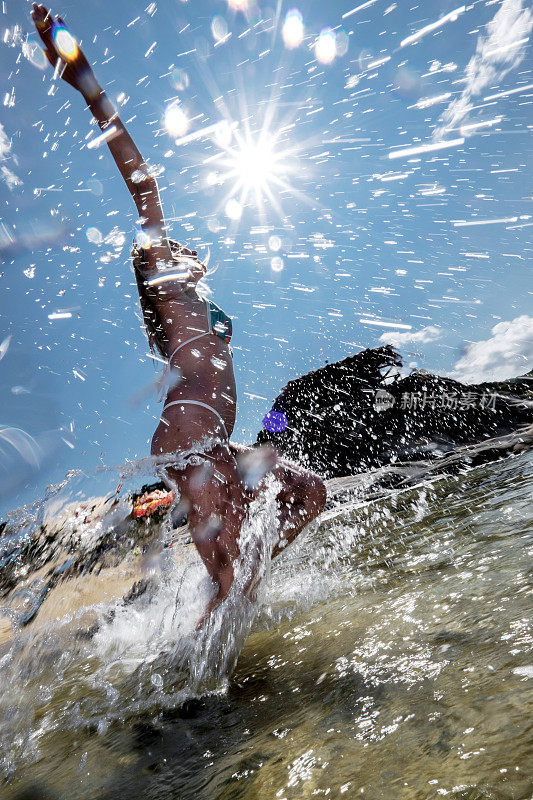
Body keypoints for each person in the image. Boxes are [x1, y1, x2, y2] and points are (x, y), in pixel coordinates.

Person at [31, 4, 327, 625]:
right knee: (232, 575)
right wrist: (83, 77)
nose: (184, 249)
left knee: (306, 495)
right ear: (156, 265)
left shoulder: (194, 304)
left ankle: (212, 626)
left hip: (216, 438)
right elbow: (142, 181)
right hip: (191, 435)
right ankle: (188, 694)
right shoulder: (167, 287)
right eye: (171, 249)